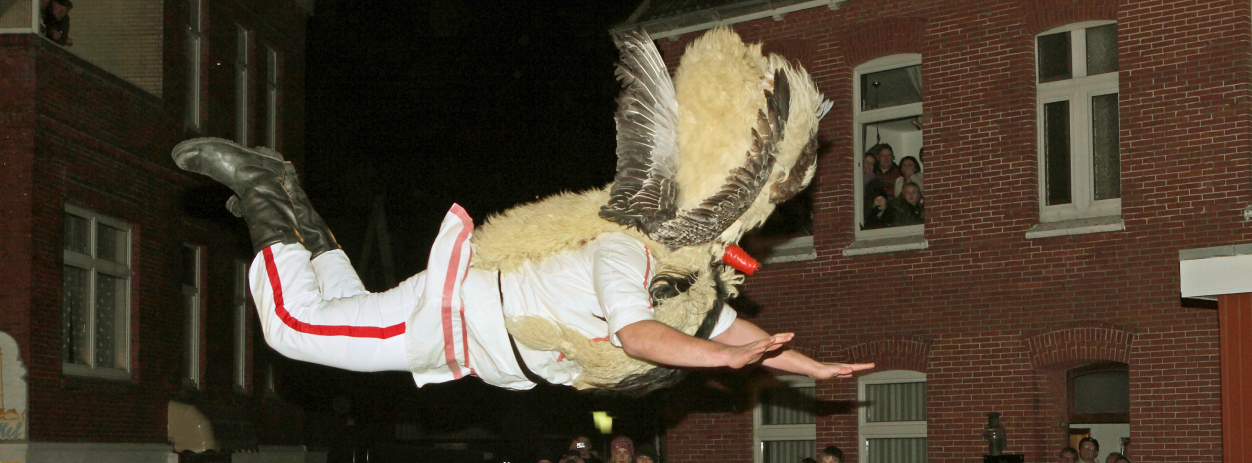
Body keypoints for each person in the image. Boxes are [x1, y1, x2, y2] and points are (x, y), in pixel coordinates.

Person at [171, 30, 870, 397]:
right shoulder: (624, 252)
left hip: (466, 333)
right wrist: (725, 357)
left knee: (342, 306)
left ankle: (292, 201)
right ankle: (265, 195)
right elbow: (640, 338)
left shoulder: (683, 278)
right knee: (295, 330)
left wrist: (804, 366)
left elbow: (722, 322)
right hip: (457, 322)